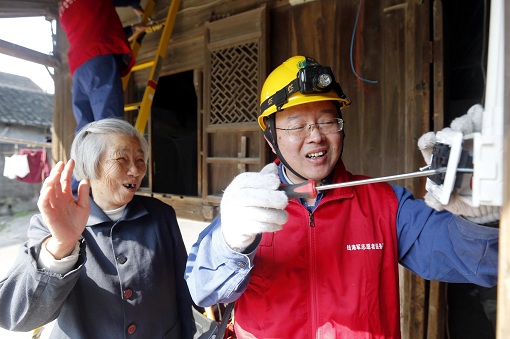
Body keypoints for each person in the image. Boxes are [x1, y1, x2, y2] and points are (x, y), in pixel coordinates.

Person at [184, 56, 500, 338]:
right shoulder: (249, 208)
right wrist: (232, 243)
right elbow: (202, 291)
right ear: (271, 139)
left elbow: (483, 263)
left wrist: (476, 210)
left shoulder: (386, 203)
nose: (316, 135)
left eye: (327, 120)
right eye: (296, 126)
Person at [0, 118, 195, 338]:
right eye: (121, 159)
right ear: (91, 166)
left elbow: (183, 288)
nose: (135, 170)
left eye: (140, 159)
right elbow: (16, 316)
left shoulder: (161, 215)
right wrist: (61, 247)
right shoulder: (53, 223)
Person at [59, 0, 141, 134]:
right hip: (98, 58)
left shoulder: (63, 9)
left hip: (78, 67)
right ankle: (110, 155)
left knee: (85, 130)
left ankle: (83, 155)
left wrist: (132, 29)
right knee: (108, 124)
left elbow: (91, 28)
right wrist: (136, 6)